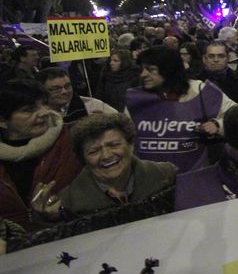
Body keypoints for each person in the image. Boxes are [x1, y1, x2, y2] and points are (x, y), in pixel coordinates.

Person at [31, 113, 176, 220]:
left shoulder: (167, 175)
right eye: (94, 151)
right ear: (84, 159)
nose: (106, 156)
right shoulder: (67, 203)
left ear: (131, 145)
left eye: (114, 145)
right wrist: (46, 219)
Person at [125, 46, 236, 172]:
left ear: (168, 70)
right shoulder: (137, 97)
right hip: (148, 179)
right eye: (143, 69)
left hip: (194, 177)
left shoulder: (201, 91)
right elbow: (125, 135)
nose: (143, 74)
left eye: (151, 70)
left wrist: (217, 125)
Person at [0, 80, 82, 230]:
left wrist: (58, 215)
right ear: (3, 122)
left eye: (44, 104)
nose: (44, 112)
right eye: (29, 110)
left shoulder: (75, 138)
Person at [39, 67, 118, 124]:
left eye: (67, 86)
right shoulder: (36, 114)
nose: (64, 91)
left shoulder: (92, 105)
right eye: (56, 88)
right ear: (43, 90)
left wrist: (108, 123)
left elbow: (122, 121)